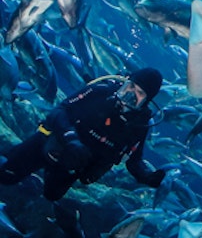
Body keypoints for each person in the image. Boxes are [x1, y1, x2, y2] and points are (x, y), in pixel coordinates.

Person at [0, 69, 167, 201]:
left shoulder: (140, 124)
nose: (131, 94)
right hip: (52, 143)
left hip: (73, 165)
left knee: (52, 195)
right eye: (130, 86)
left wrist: (146, 177)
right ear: (125, 81)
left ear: (146, 101)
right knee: (6, 175)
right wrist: (71, 138)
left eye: (139, 93)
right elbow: (60, 110)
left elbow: (134, 159)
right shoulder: (101, 91)